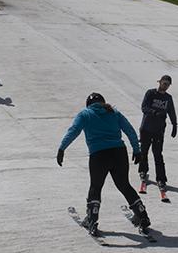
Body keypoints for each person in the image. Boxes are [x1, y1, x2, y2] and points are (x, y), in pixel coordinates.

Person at [57, 93, 150, 235]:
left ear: (88, 104)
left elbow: (73, 131)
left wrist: (62, 148)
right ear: (103, 102)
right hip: (119, 152)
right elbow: (130, 130)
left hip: (99, 154)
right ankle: (142, 215)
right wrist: (137, 150)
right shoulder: (114, 113)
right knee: (124, 184)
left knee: (96, 186)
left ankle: (92, 220)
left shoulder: (85, 114)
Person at [138, 75, 178, 191]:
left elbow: (171, 111)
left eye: (168, 85)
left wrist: (174, 125)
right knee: (144, 150)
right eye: (164, 83)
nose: (165, 86)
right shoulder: (150, 93)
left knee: (158, 154)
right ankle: (143, 170)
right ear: (159, 82)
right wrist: (154, 113)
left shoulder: (168, 98)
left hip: (158, 130)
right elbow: (144, 107)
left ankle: (161, 178)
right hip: (146, 128)